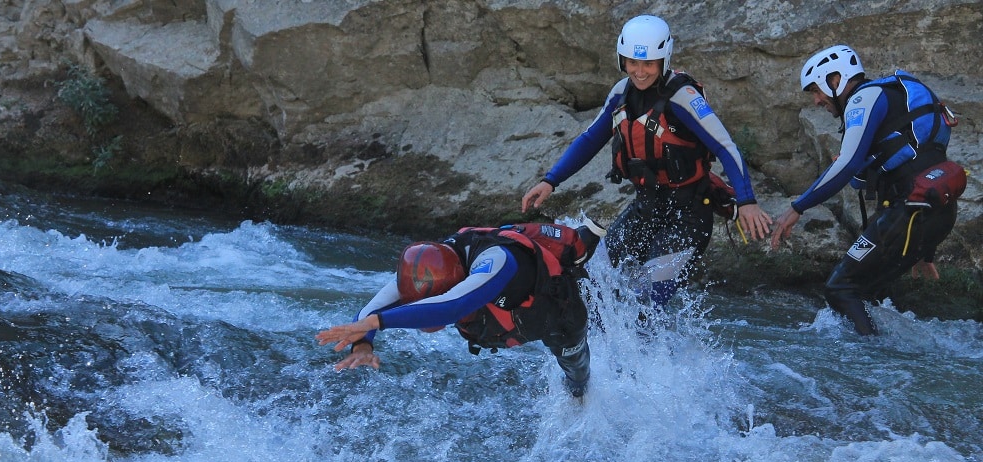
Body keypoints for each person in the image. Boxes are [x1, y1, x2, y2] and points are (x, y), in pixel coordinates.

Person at [521, 14, 772, 312]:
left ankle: (662, 356)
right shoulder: (620, 93)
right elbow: (589, 140)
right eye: (632, 63)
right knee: (592, 282)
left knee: (646, 302)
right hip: (646, 209)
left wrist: (747, 201)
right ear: (622, 60)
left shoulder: (685, 97)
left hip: (688, 217)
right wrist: (551, 180)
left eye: (649, 64)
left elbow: (726, 148)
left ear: (663, 60)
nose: (640, 72)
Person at [770, 45, 962, 335]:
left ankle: (874, 360)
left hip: (909, 212)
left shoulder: (865, 96)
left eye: (816, 90)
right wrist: (926, 250)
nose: (817, 100)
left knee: (840, 288)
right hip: (934, 213)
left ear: (835, 79)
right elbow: (923, 172)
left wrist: (797, 208)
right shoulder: (889, 97)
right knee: (866, 292)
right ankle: (888, 360)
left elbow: (847, 166)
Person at [315, 219, 607, 397]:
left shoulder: (497, 261)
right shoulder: (428, 265)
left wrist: (376, 324)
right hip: (517, 312)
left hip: (561, 314)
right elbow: (371, 310)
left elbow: (452, 306)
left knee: (578, 381)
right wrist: (363, 345)